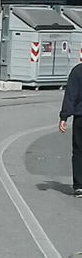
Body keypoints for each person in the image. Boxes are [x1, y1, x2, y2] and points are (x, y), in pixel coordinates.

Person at [59, 63, 82, 196]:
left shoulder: (77, 71)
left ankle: (79, 185)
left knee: (79, 151)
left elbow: (70, 95)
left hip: (80, 117)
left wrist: (64, 116)